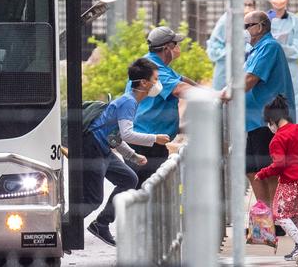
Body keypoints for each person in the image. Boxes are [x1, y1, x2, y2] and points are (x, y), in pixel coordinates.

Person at [83, 58, 171, 246]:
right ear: (144, 83)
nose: (158, 84)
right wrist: (154, 138)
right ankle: (64, 231)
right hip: (93, 148)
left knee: (129, 179)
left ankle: (101, 224)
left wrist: (133, 156)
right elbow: (127, 134)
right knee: (93, 199)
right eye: (155, 79)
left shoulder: (131, 102)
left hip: (104, 148)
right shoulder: (128, 102)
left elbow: (115, 137)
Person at [128, 26, 208, 187]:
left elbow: (182, 80)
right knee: (138, 189)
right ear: (166, 48)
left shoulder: (159, 66)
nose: (178, 48)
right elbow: (179, 89)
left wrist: (204, 90)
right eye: (176, 44)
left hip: (153, 140)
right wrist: (210, 97)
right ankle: (112, 213)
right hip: (143, 141)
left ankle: (131, 212)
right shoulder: (151, 69)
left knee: (151, 188)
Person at [243, 11, 296, 211]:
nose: (245, 31)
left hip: (266, 121)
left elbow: (249, 80)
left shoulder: (269, 47)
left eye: (248, 26)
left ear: (261, 26)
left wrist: (225, 94)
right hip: (251, 121)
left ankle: (277, 216)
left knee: (269, 171)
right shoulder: (254, 50)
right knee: (251, 170)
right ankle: (264, 217)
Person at [255, 96, 298, 262]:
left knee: (279, 214)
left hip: (289, 182)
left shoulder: (277, 139)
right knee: (292, 214)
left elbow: (279, 165)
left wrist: (262, 173)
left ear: (271, 120)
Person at [268, 0, 298, 124]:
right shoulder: (262, 20)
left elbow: (297, 50)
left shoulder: (296, 22)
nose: (278, 0)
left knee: (294, 106)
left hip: (290, 71)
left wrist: (276, 45)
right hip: (269, 70)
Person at [207, 0, 256, 90]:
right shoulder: (226, 20)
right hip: (225, 73)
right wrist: (235, 51)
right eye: (244, 5)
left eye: (250, 5)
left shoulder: (255, 21)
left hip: (246, 75)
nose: (247, 8)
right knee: (221, 101)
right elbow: (213, 51)